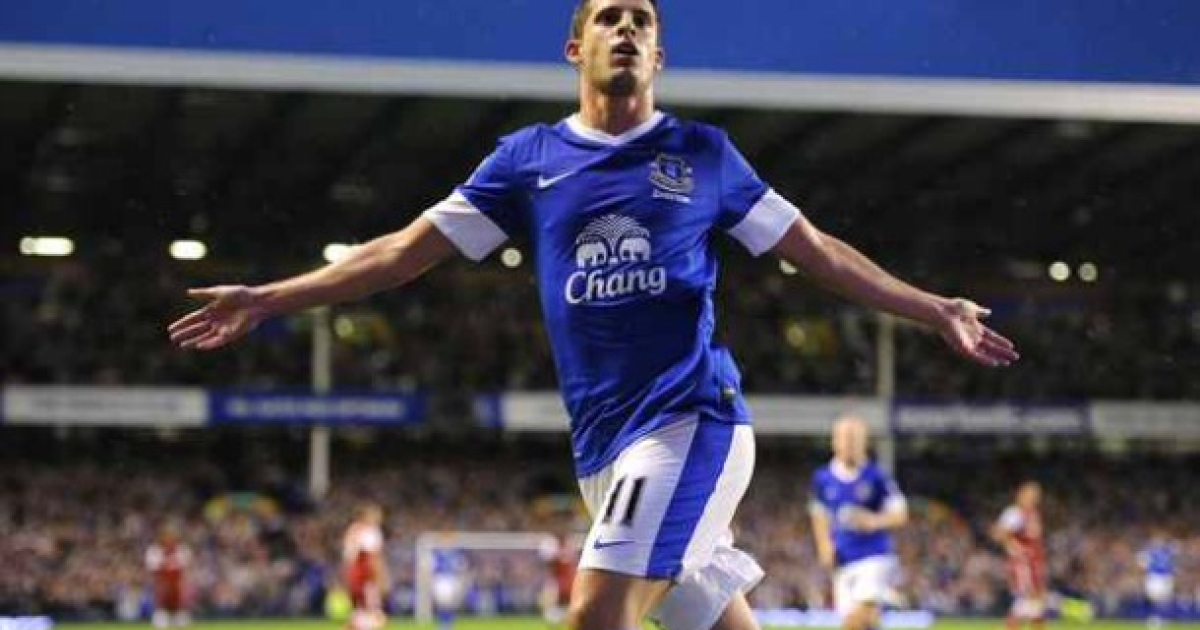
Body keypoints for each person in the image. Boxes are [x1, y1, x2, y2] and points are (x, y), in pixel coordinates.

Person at [167, 1, 1019, 628]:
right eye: (609, 17)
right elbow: (399, 253)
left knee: (595, 615)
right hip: (601, 448)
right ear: (576, 46)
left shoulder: (703, 154)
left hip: (688, 421)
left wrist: (933, 307)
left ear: (659, 55)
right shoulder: (526, 162)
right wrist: (269, 297)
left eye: (642, 21)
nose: (626, 30)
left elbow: (817, 250)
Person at [809, 415, 908, 630]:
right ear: (834, 441)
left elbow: (900, 513)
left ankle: (883, 599)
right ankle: (886, 601)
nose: (850, 443)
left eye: (855, 438)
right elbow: (819, 514)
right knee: (865, 623)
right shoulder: (823, 478)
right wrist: (824, 546)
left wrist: (874, 520)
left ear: (864, 442)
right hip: (843, 560)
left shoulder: (877, 476)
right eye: (845, 438)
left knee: (854, 621)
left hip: (874, 556)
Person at [992, 481, 1046, 630]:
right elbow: (998, 532)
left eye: (1036, 496)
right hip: (1023, 564)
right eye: (1030, 495)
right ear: (1020, 495)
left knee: (1037, 602)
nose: (1033, 499)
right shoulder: (1014, 513)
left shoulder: (1033, 514)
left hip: (1034, 563)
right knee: (1028, 600)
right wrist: (1012, 546)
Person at [343, 503, 388, 630]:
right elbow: (372, 557)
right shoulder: (370, 531)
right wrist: (381, 577)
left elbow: (348, 557)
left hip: (354, 575)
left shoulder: (353, 529)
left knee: (359, 613)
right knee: (375, 617)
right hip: (366, 576)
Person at [144, 525, 191, 628]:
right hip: (161, 582)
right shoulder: (154, 550)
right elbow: (152, 568)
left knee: (179, 605)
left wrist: (183, 582)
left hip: (177, 583)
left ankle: (178, 618)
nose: (169, 538)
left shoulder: (181, 549)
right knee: (161, 604)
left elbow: (185, 567)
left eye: (171, 535)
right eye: (166, 535)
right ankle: (161, 618)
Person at [1139, 528, 1177, 628]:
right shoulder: (1149, 551)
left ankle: (1162, 618)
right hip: (1154, 576)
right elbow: (1142, 565)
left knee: (1165, 600)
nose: (1159, 541)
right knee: (1152, 598)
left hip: (1166, 577)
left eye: (1161, 539)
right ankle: (1153, 618)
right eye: (1156, 539)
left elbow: (1174, 562)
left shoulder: (1169, 550)